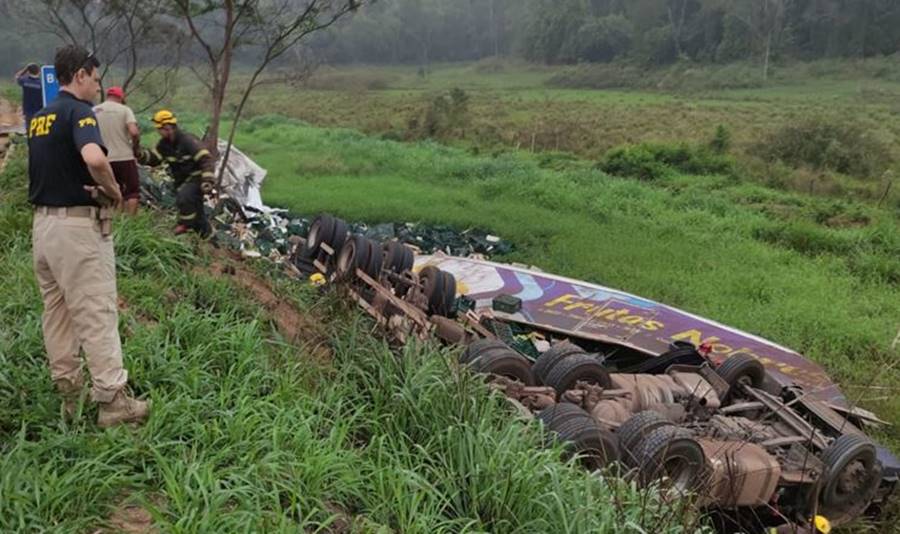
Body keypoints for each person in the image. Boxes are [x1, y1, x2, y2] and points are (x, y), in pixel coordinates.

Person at [28, 44, 150, 428]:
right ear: (79, 75)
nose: (97, 88)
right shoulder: (80, 113)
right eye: (95, 79)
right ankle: (113, 401)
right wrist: (113, 190)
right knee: (96, 311)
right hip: (77, 231)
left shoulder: (40, 118)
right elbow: (95, 159)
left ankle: (70, 394)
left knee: (58, 313)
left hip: (44, 228)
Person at [135, 109, 215, 236]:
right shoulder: (164, 145)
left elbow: (206, 159)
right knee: (197, 210)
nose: (158, 132)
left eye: (159, 129)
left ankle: (186, 225)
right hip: (182, 181)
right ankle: (208, 237)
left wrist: (208, 180)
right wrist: (139, 154)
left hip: (196, 178)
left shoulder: (188, 141)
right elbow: (154, 159)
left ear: (167, 128)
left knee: (184, 197)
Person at [94, 86, 141, 215]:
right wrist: (136, 147)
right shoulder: (125, 110)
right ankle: (131, 224)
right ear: (121, 97)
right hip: (124, 157)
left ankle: (114, 223)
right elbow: (134, 132)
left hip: (103, 159)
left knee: (112, 190)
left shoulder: (94, 111)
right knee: (132, 192)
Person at [14, 63, 43, 131]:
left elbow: (17, 76)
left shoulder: (24, 81)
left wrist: (25, 69)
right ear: (39, 71)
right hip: (40, 111)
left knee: (29, 131)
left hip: (28, 111)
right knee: (39, 131)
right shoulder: (42, 83)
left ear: (28, 71)